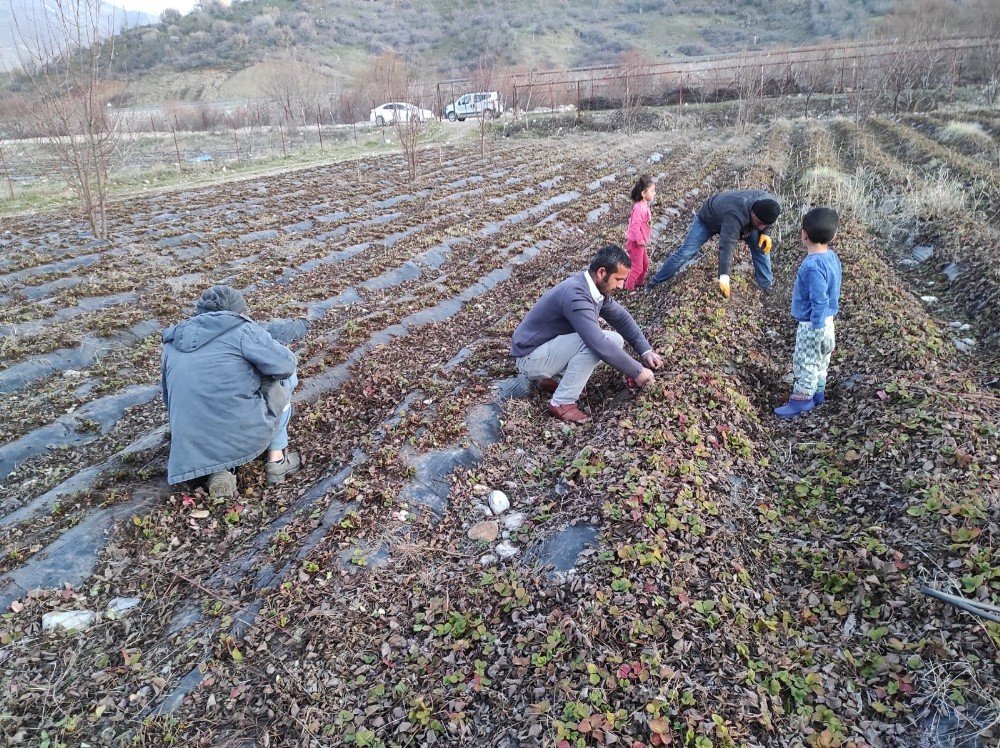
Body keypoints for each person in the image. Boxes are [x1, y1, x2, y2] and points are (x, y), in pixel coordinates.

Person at [161, 285, 302, 497]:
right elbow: (286, 366)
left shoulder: (173, 341)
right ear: (239, 311)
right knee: (285, 380)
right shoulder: (241, 330)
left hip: (188, 441)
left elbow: (167, 396)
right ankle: (277, 459)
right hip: (238, 426)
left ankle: (222, 470)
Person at [511, 244, 664, 424]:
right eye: (618, 279)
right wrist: (637, 371)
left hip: (546, 348)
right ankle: (562, 402)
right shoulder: (576, 295)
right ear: (601, 273)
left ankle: (554, 379)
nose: (622, 286)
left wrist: (645, 350)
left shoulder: (594, 289)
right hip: (529, 357)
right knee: (595, 343)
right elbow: (597, 343)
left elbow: (621, 318)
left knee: (614, 339)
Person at [648, 189, 781, 298]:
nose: (761, 227)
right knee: (685, 253)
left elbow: (767, 222)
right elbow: (727, 246)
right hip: (709, 219)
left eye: (765, 225)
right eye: (759, 223)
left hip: (743, 221)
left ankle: (766, 286)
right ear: (753, 213)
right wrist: (724, 276)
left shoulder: (770, 205)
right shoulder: (735, 215)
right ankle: (654, 282)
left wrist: (766, 234)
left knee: (761, 247)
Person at [774, 207, 842, 419]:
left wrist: (816, 326)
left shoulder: (812, 266)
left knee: (806, 362)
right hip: (828, 321)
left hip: (813, 324)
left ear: (803, 234)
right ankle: (818, 393)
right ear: (834, 235)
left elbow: (819, 299)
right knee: (821, 361)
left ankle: (801, 400)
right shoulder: (832, 257)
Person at [624, 175, 655, 290]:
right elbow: (634, 227)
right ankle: (629, 287)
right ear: (643, 193)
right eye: (652, 191)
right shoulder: (639, 208)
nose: (654, 193)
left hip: (641, 243)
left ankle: (639, 282)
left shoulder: (644, 206)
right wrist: (640, 240)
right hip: (636, 243)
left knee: (645, 265)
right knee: (637, 267)